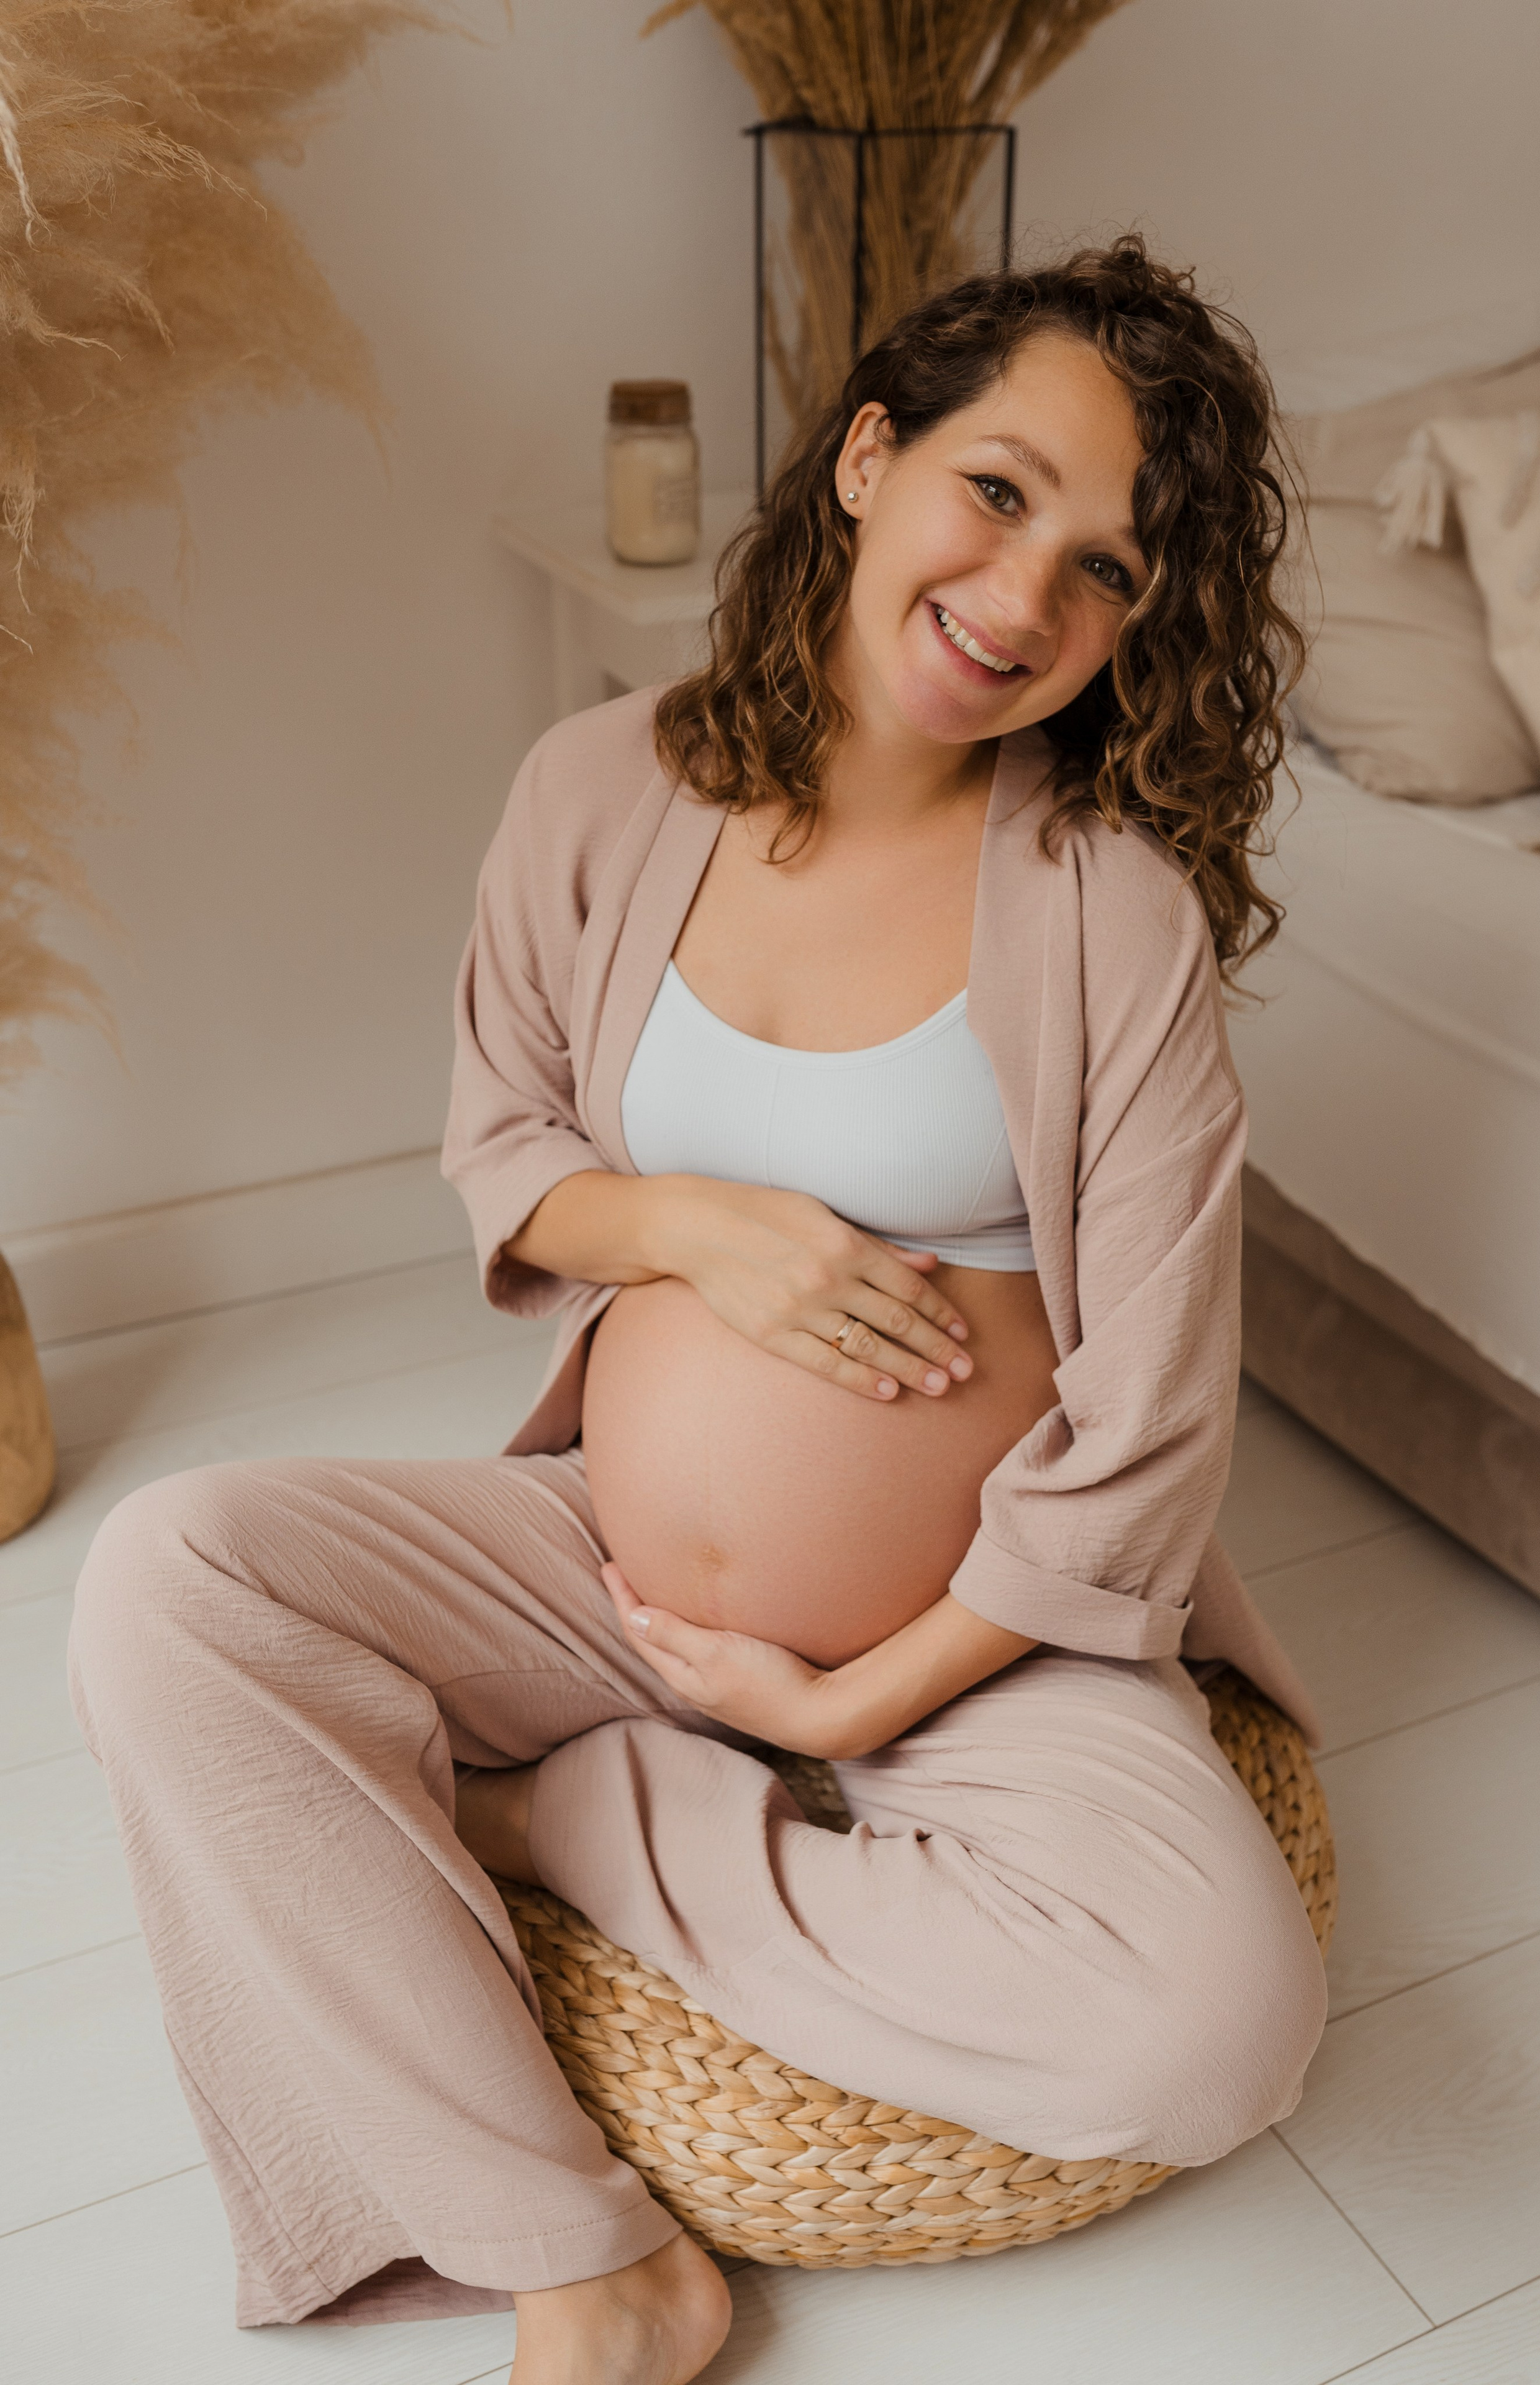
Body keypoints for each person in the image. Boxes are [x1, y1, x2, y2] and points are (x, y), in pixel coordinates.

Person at [70, 237, 1328, 2385]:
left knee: (1222, 2024)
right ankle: (591, 2260)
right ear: (867, 458)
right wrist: (698, 1231)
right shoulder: (598, 789)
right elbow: (508, 1144)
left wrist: (848, 1703)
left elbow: (1150, 1419)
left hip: (984, 1644)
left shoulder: (1114, 916)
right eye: (1000, 492)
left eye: (1110, 568)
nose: (1029, 599)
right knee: (167, 1585)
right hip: (616, 1583)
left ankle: (549, 1815)